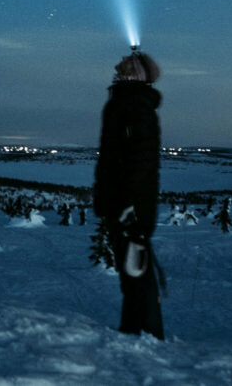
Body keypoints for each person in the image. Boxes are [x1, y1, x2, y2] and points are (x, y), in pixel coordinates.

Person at [93, 49, 165, 340]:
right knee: (130, 269)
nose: (118, 63)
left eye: (127, 62)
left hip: (129, 205)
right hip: (122, 201)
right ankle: (135, 327)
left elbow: (141, 160)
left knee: (135, 268)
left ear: (137, 71)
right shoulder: (126, 102)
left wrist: (129, 205)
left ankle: (145, 330)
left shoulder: (134, 105)